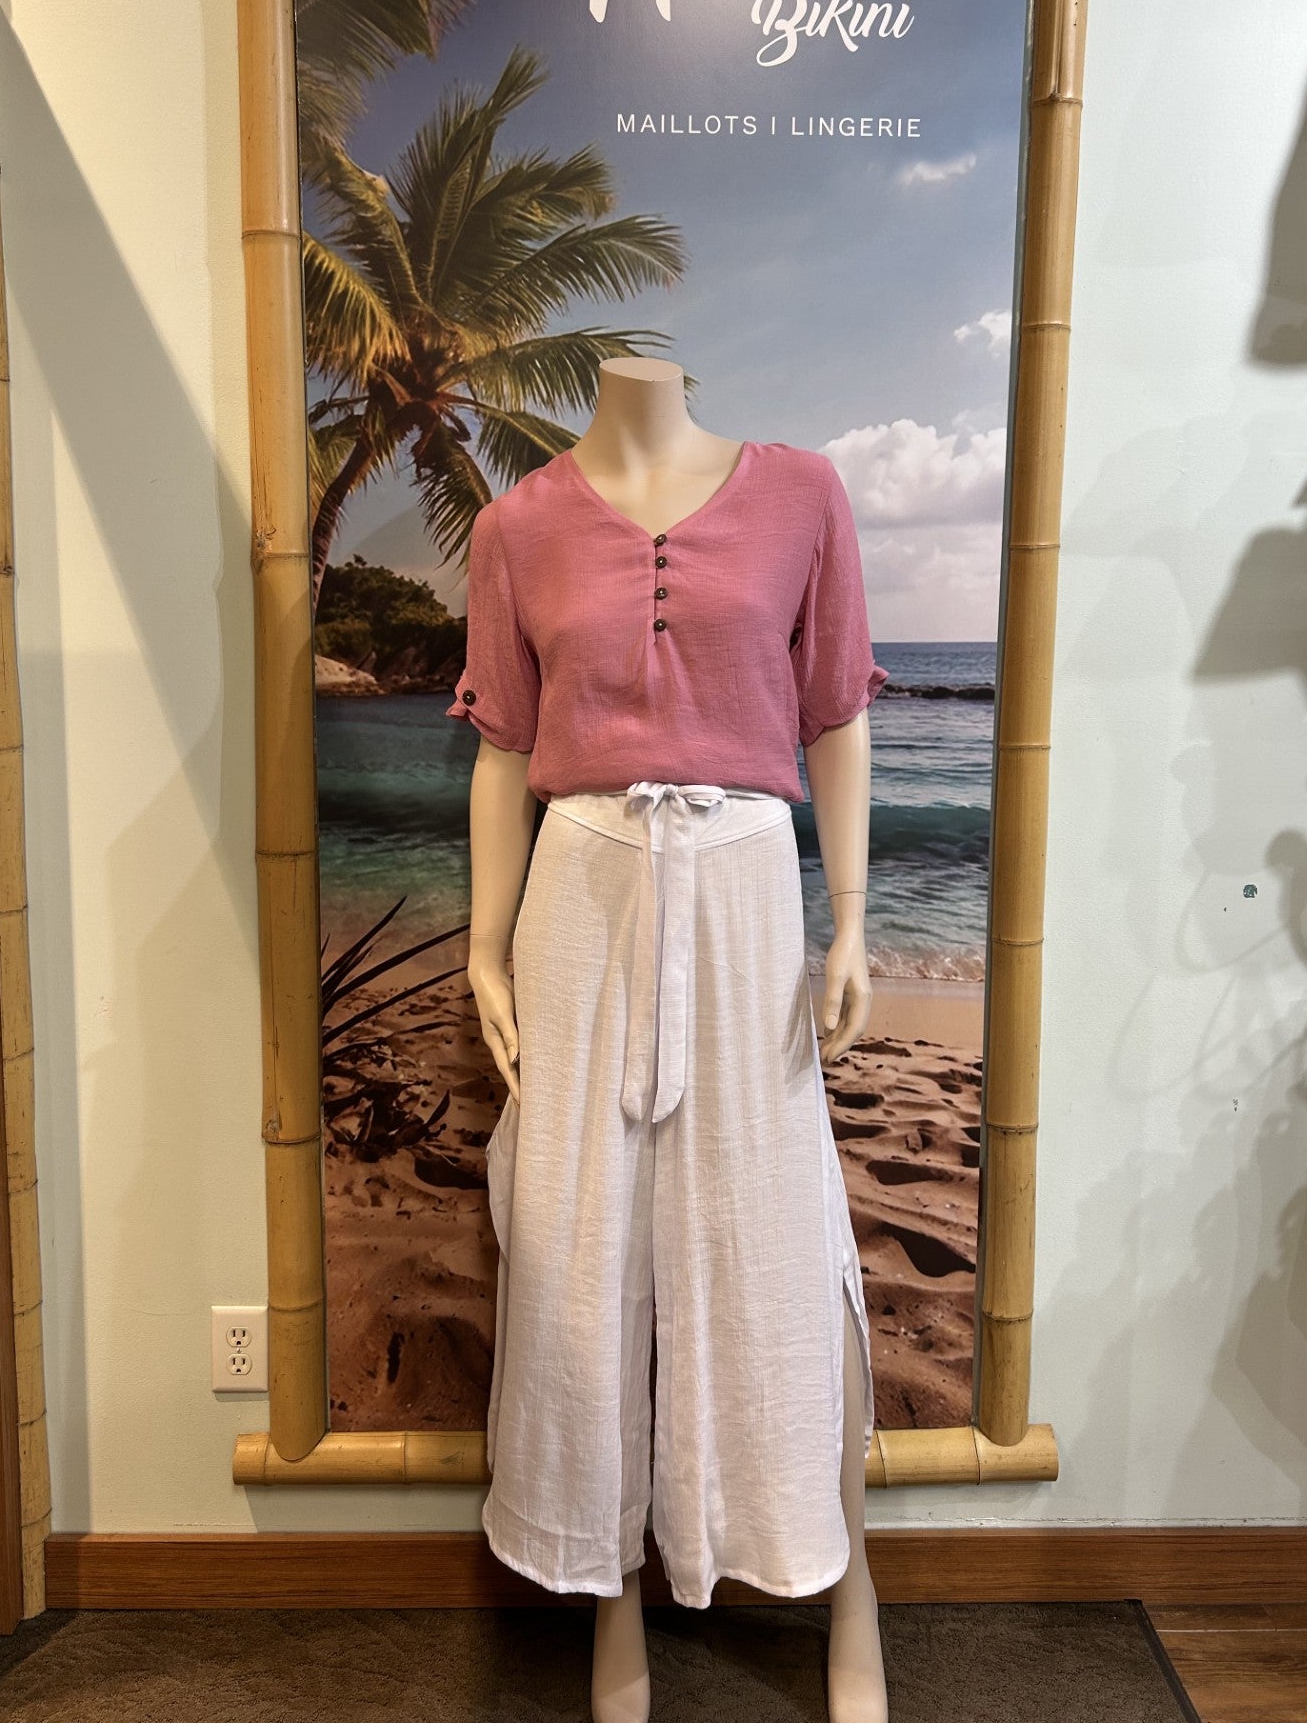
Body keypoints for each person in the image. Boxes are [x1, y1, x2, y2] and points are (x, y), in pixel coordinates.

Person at [449, 357, 890, 1723]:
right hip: (579, 890)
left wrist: (853, 922)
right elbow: (501, 752)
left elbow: (835, 717)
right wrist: (482, 943)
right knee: (582, 1245)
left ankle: (849, 1584)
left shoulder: (804, 495)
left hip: (747, 892)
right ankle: (611, 1589)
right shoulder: (516, 526)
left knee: (779, 1245)